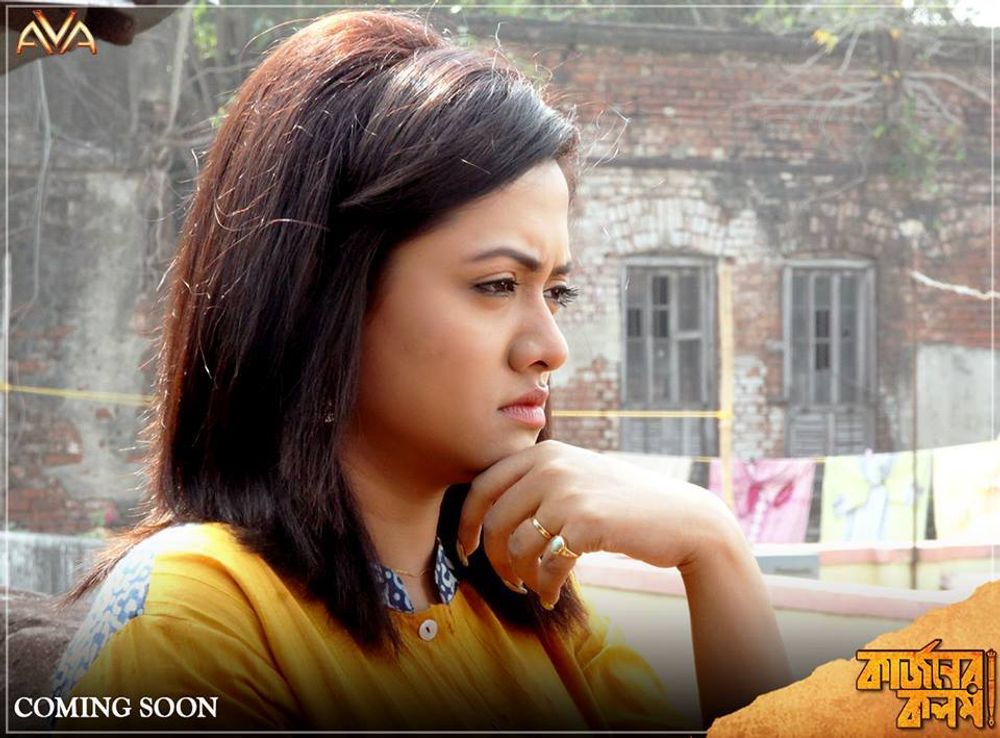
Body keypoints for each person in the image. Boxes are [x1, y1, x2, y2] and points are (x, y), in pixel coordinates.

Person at [50, 8, 790, 731]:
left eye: (556, 292)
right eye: (497, 285)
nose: (551, 346)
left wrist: (714, 548)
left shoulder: (539, 625)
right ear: (325, 298)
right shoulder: (197, 614)